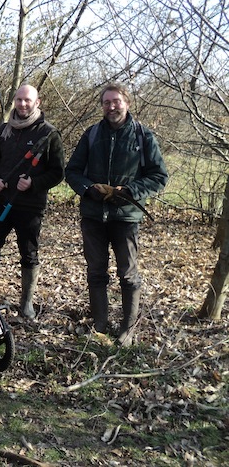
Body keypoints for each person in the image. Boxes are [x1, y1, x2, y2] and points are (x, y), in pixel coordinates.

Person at [65, 83, 168, 346]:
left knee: (128, 274)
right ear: (102, 106)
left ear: (127, 103)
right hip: (93, 216)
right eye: (107, 102)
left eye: (116, 101)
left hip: (126, 217)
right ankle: (100, 324)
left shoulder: (143, 137)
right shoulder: (91, 134)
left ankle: (128, 328)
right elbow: (72, 171)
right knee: (96, 272)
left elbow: (159, 176)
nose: (111, 107)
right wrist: (89, 189)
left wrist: (130, 190)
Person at [0, 83, 65, 319]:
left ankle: (26, 305)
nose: (23, 104)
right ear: (14, 101)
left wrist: (34, 184)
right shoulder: (5, 129)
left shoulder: (49, 133)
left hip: (30, 207)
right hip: (0, 202)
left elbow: (58, 173)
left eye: (28, 100)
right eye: (19, 100)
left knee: (29, 254)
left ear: (37, 103)